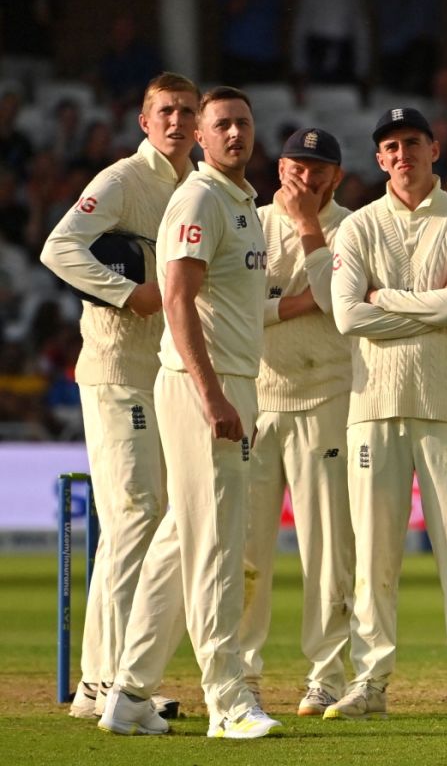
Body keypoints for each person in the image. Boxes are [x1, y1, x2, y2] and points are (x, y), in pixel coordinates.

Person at [98, 86, 280, 739]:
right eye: (222, 124)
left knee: (181, 543)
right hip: (205, 387)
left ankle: (129, 694)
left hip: (233, 383)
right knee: (217, 545)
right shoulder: (200, 196)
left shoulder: (242, 202)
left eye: (243, 123)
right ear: (200, 137)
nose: (235, 133)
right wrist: (211, 395)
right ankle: (227, 700)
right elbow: (176, 297)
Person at [327, 107, 447, 723]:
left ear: (434, 148)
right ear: (380, 160)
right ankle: (369, 682)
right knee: (374, 555)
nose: (402, 154)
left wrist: (385, 298)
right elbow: (347, 316)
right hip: (373, 407)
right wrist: (434, 308)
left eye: (412, 142)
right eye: (391, 147)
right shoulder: (357, 226)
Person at [40, 72, 200, 721]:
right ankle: (108, 681)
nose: (177, 121)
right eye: (166, 111)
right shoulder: (122, 180)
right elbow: (59, 248)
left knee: (149, 520)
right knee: (135, 514)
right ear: (144, 121)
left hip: (164, 371)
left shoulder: (197, 187)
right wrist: (127, 292)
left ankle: (105, 681)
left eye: (187, 111)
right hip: (114, 368)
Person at [237, 127, 354, 717]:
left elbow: (338, 302)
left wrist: (310, 227)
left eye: (318, 170)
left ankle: (327, 676)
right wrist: (296, 304)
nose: (306, 179)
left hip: (328, 397)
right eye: (297, 167)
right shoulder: (249, 223)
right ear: (280, 167)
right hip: (256, 400)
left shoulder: (353, 227)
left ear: (336, 176)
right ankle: (241, 676)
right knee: (245, 552)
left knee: (328, 548)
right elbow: (229, 310)